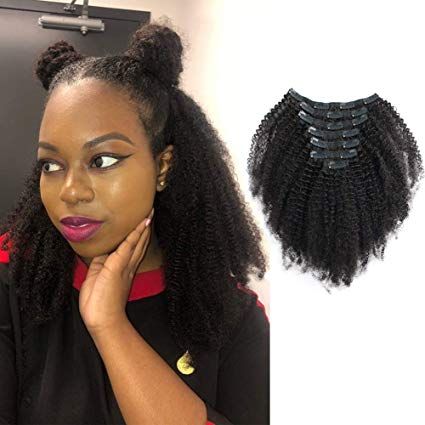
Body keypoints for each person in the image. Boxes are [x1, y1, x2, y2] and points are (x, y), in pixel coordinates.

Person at [0, 20, 269, 425]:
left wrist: (110, 326)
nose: (70, 191)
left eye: (102, 160)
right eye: (51, 165)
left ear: (163, 166)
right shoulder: (12, 281)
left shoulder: (234, 318)